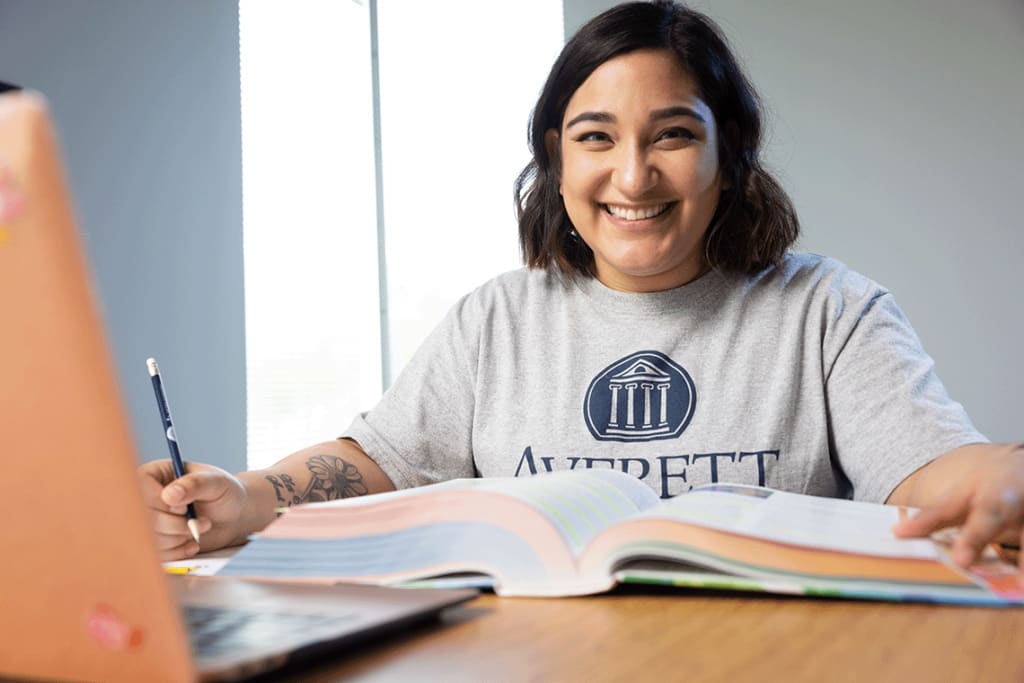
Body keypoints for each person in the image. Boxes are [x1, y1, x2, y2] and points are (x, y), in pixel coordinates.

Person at [141, 0, 1024, 575]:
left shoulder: (829, 312)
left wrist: (1006, 478)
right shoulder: (495, 320)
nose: (632, 177)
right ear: (556, 160)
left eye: (672, 135)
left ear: (730, 156)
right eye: (596, 137)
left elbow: (933, 466)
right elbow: (380, 460)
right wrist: (242, 498)